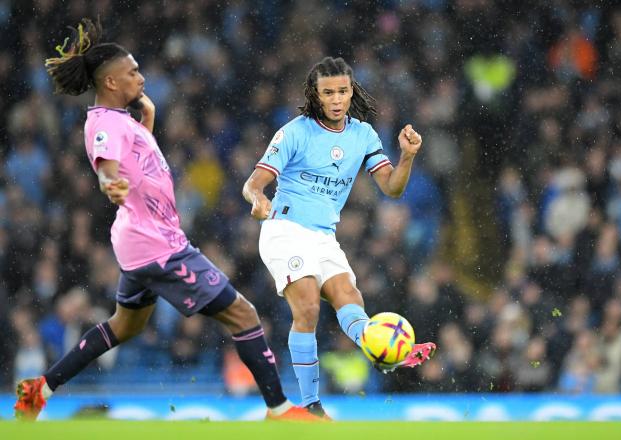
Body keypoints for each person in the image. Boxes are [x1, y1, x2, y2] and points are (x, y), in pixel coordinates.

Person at [14, 18, 319, 422]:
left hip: (142, 240)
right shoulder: (104, 123)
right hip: (158, 246)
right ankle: (278, 409)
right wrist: (110, 183)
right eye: (132, 72)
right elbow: (106, 162)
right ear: (109, 83)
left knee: (124, 326)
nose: (141, 76)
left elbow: (139, 163)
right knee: (244, 314)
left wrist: (147, 125)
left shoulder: (123, 120)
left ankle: (39, 389)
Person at [242, 56, 436, 418]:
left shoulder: (363, 135)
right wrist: (258, 201)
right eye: (328, 92)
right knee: (309, 307)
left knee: (351, 298)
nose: (336, 99)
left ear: (352, 93)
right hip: (285, 230)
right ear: (315, 95)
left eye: (342, 91)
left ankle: (387, 353)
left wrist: (407, 157)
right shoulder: (294, 132)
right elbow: (253, 184)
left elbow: (392, 188)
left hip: (323, 237)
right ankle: (311, 405)